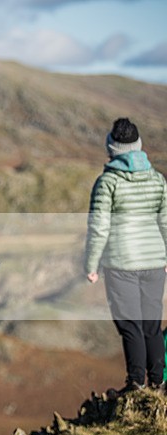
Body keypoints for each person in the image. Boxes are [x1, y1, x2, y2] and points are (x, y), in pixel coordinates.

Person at [85, 117, 167, 394]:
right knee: (152, 325)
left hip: (122, 264)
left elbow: (99, 227)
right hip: (154, 262)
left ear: (112, 147)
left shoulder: (107, 182)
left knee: (130, 325)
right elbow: (165, 222)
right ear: (138, 147)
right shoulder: (157, 180)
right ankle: (158, 382)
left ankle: (136, 384)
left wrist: (91, 264)